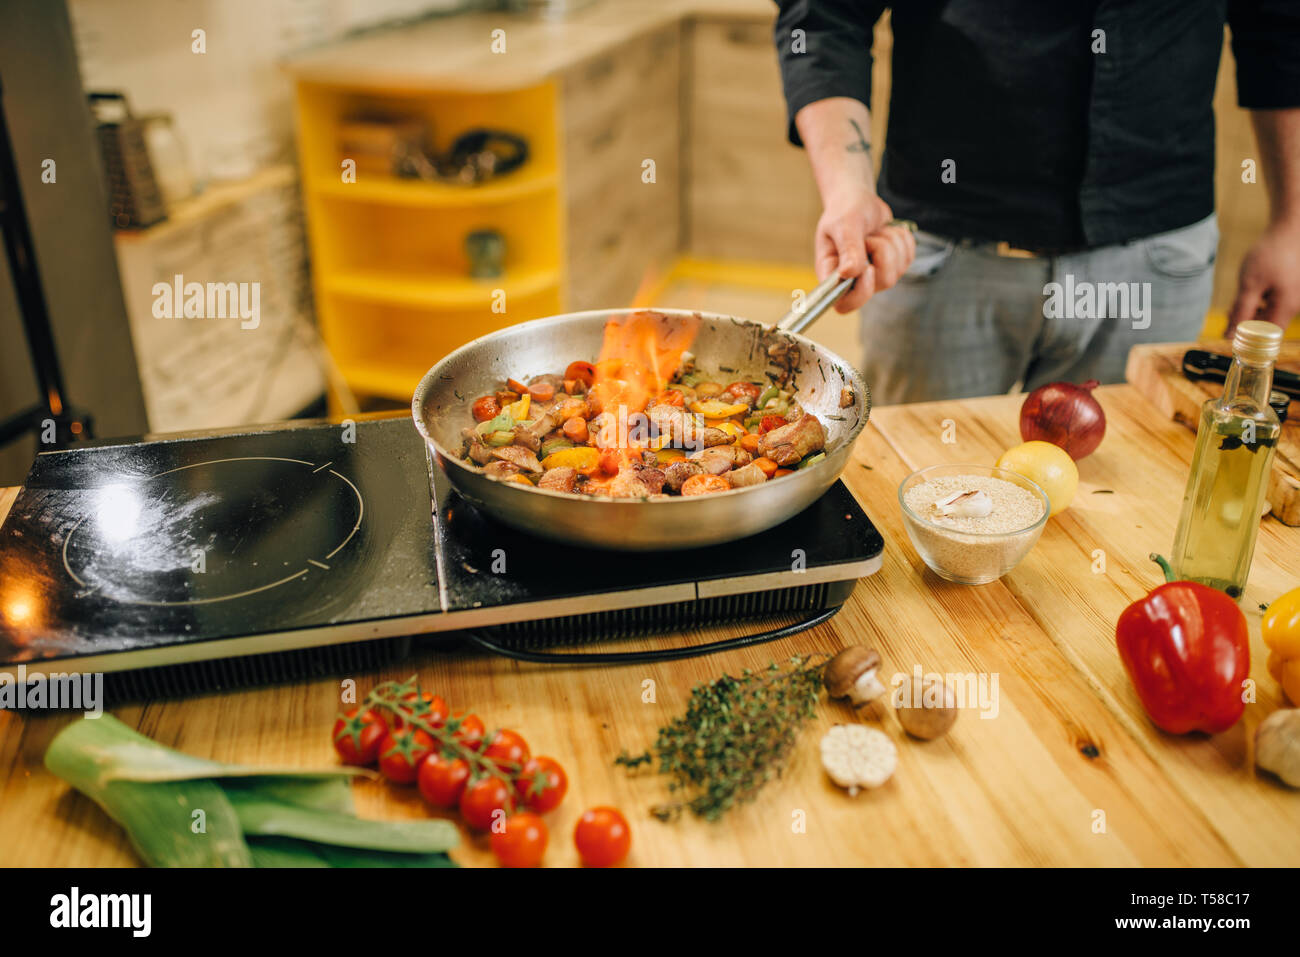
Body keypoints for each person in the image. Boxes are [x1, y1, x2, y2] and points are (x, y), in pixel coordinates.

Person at [774, 1, 1300, 404]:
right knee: (915, 487)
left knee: (1115, 496)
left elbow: (1280, 24)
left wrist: (1292, 223)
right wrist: (848, 190)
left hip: (1157, 257)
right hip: (938, 248)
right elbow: (823, 14)